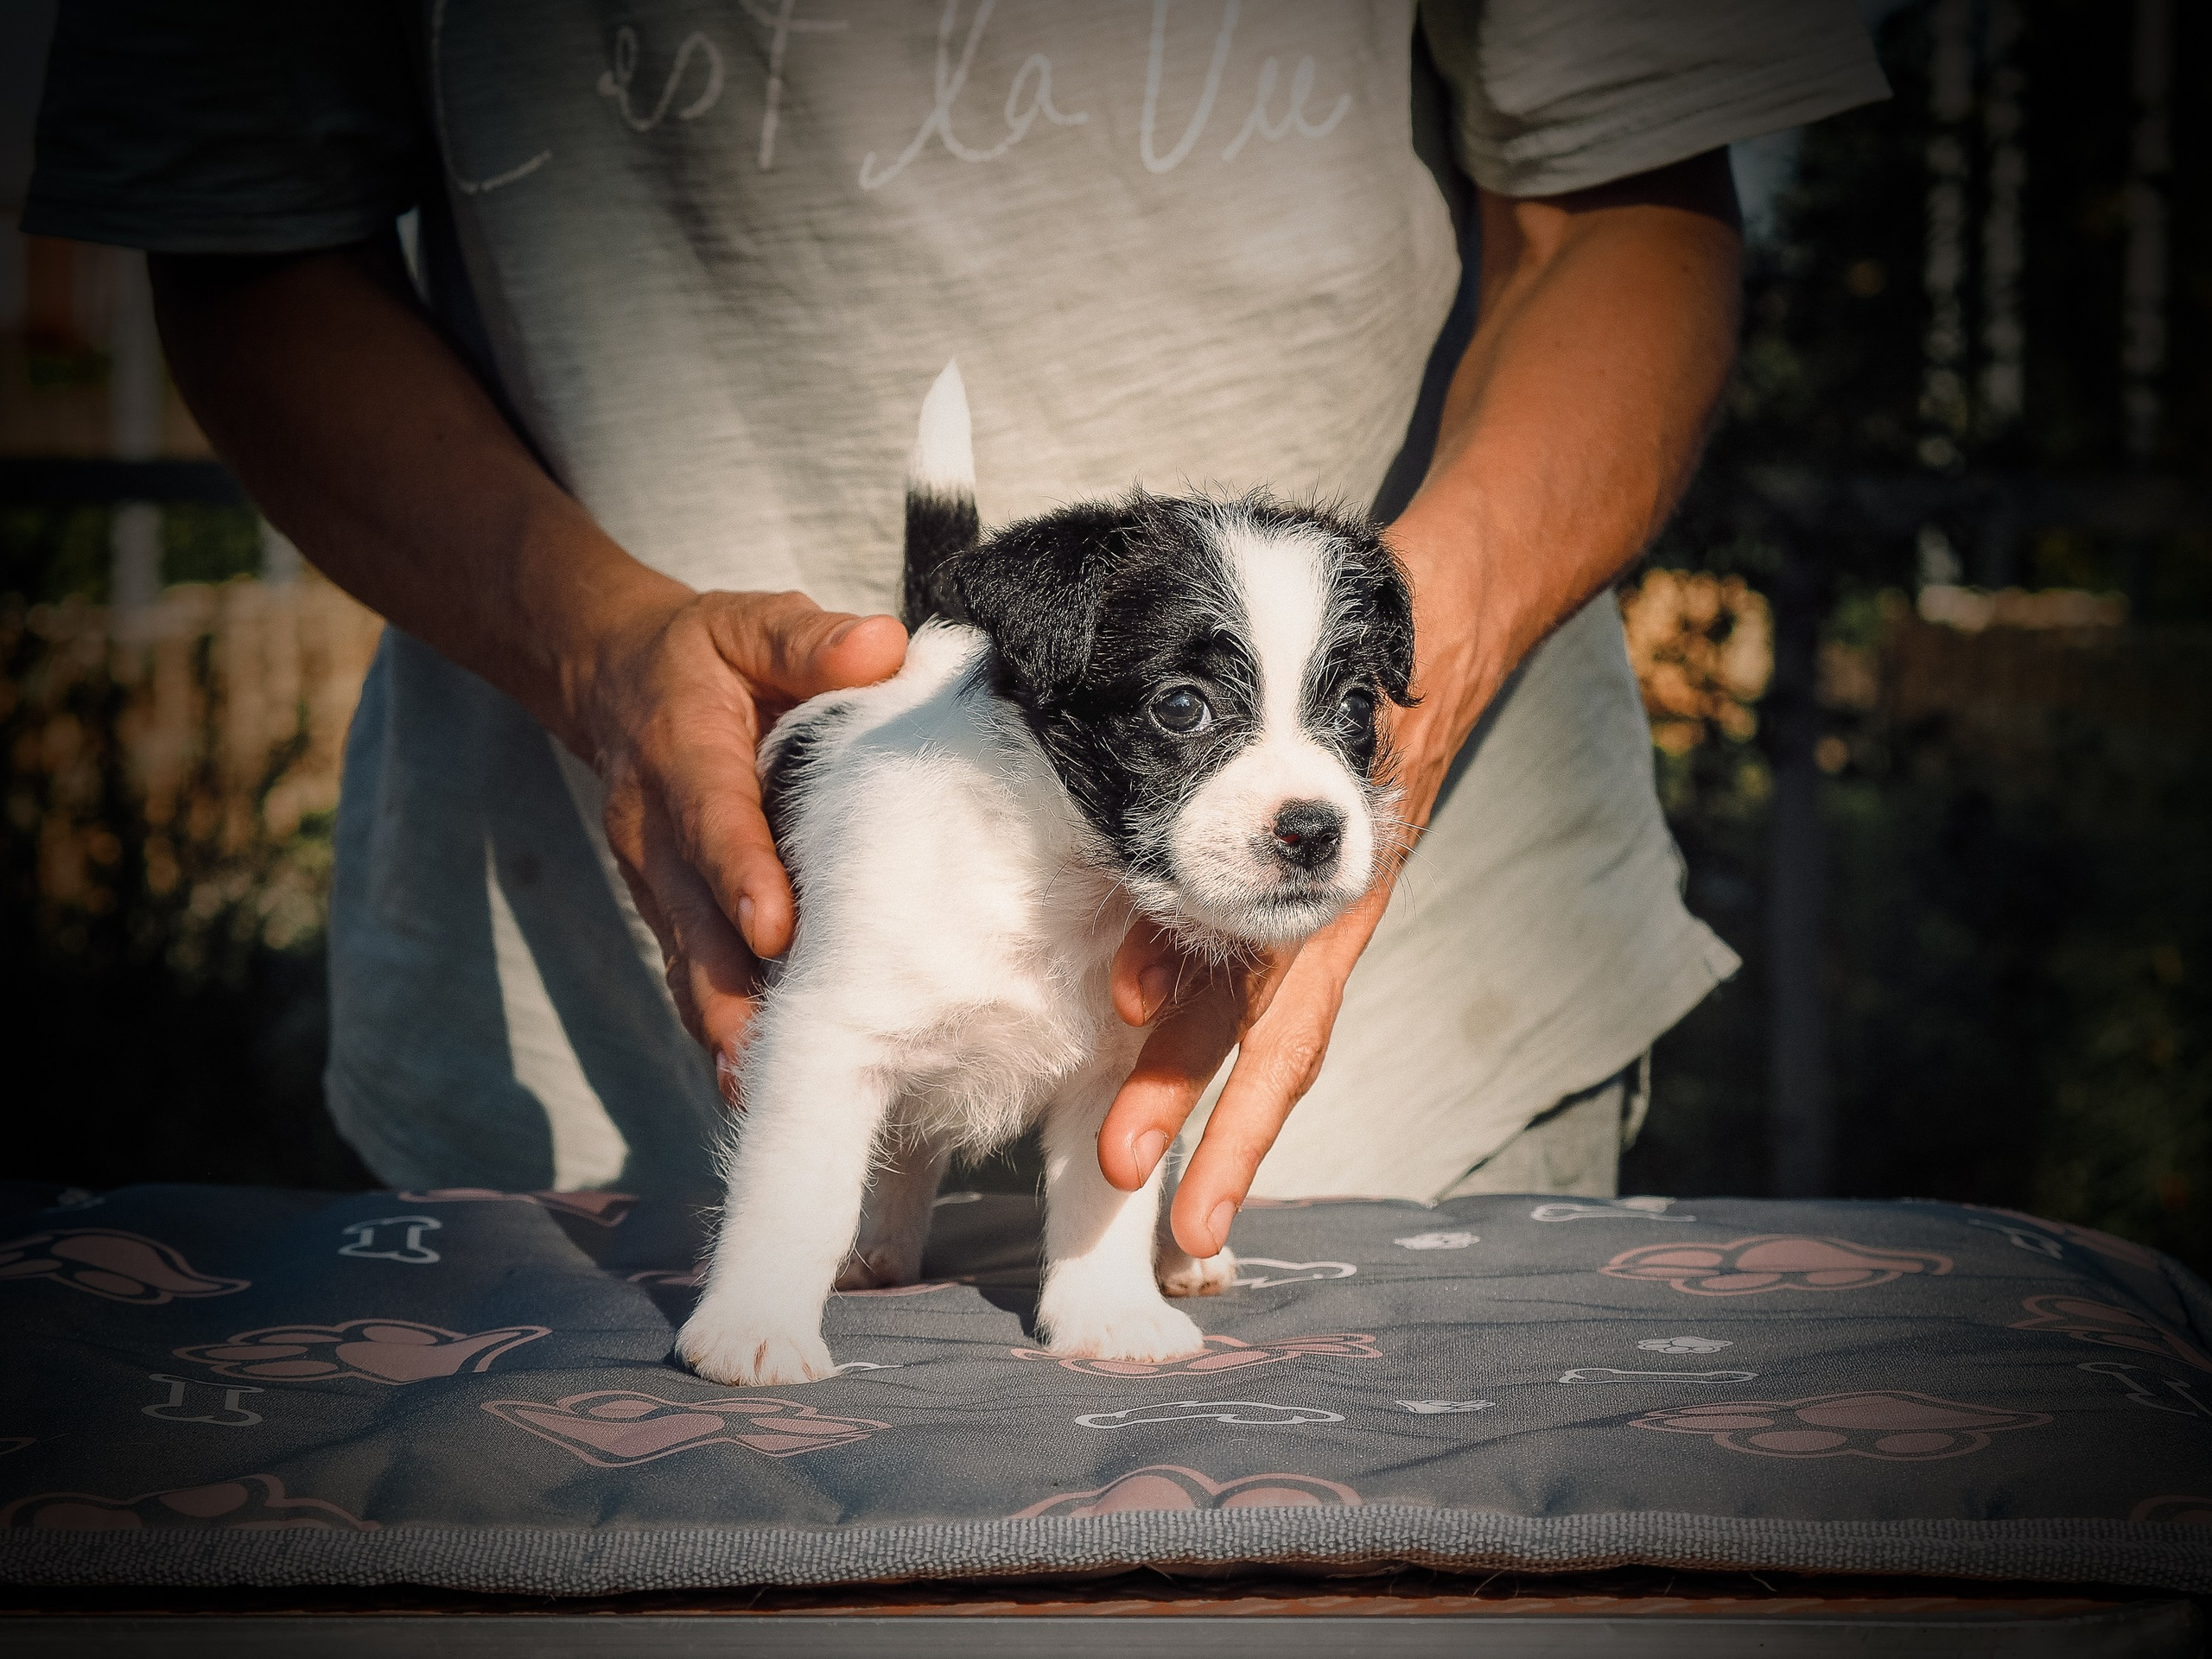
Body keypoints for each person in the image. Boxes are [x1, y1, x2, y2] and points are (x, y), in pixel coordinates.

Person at [29, 3, 1884, 1256]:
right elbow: (247, 236)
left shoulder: (1333, 791)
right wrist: (592, 649)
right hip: (591, 1022)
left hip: (1426, 1040)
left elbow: (1625, 208)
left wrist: (1415, 686)